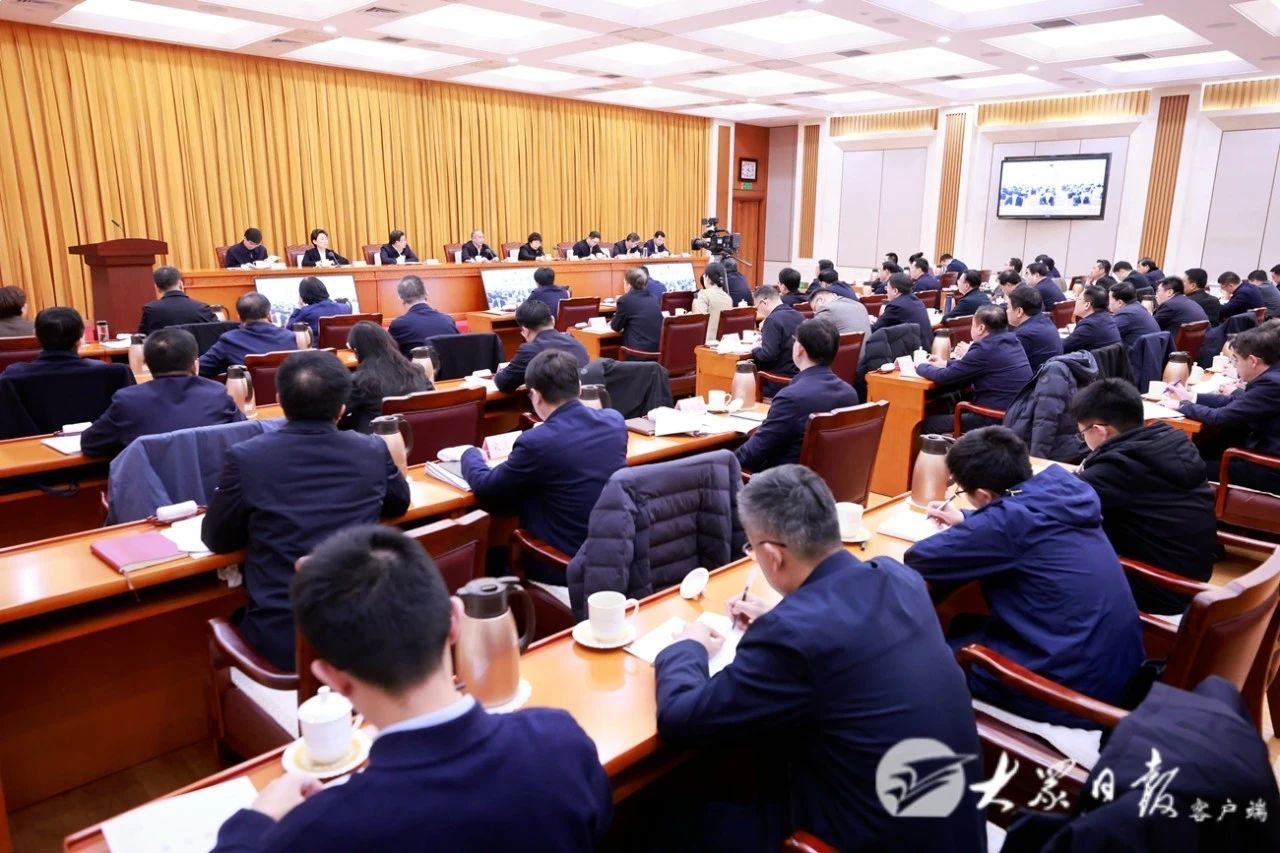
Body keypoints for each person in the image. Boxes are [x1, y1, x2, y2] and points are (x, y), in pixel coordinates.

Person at [211, 526, 612, 852]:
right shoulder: (562, 742)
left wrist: (254, 821)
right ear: (455, 621)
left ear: (332, 678)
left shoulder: (316, 832)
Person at [655, 465, 985, 852]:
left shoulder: (791, 637)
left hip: (859, 837)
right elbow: (843, 641)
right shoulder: (899, 577)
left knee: (660, 825)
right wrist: (780, 617)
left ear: (773, 556)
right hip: (953, 829)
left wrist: (688, 646)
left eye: (752, 549)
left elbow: (681, 720)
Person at [905, 427, 1143, 726]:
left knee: (914, 661)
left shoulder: (1008, 523)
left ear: (983, 495)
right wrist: (969, 519)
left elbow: (922, 557)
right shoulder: (1061, 490)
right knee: (961, 622)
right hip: (1109, 669)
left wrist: (981, 525)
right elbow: (1018, 517)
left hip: (1064, 688)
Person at [202, 351, 411, 671]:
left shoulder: (247, 458)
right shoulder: (370, 449)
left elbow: (217, 538)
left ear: (279, 401)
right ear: (342, 409)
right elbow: (398, 503)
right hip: (364, 634)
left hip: (284, 650)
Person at [458, 350, 626, 576]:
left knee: (491, 559)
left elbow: (487, 488)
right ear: (578, 387)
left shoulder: (536, 442)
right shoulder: (614, 422)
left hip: (561, 564)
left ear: (535, 396)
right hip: (612, 556)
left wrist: (470, 454)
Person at [1071, 379, 1217, 614]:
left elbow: (1055, 502)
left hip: (1157, 590)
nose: (1083, 440)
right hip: (1191, 579)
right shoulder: (1169, 443)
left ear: (1099, 430)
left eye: (1082, 434)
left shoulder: (1118, 467)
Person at [80, 328, 243, 457]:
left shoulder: (128, 400)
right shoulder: (217, 394)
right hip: (211, 486)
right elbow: (244, 433)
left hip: (151, 488)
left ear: (147, 365)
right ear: (195, 365)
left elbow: (90, 443)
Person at [1166, 321, 1280, 493]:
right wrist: (1192, 397)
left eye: (1236, 360)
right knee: (1202, 451)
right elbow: (1237, 403)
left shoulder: (1271, 383)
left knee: (1181, 469)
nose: (1234, 366)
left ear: (1253, 361)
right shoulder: (1273, 375)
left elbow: (1220, 417)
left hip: (1268, 469)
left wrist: (1182, 405)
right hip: (1265, 455)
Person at [735, 320, 858, 472]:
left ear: (799, 349)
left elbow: (755, 452)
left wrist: (723, 459)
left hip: (784, 481)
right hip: (829, 480)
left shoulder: (791, 398)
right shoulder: (850, 394)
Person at [917, 305, 1032, 434]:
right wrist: (944, 363)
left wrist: (920, 365)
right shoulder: (1012, 340)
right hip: (1015, 417)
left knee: (927, 424)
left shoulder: (984, 348)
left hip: (994, 418)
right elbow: (973, 365)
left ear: (981, 328)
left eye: (972, 325)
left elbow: (943, 377)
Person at [344, 321, 432, 433]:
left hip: (375, 439)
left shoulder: (359, 381)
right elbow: (432, 399)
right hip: (418, 435)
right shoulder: (417, 370)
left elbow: (336, 412)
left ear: (356, 351)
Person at [494, 299, 588, 393]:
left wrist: (498, 374)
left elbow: (504, 383)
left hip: (554, 401)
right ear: (553, 320)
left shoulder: (529, 350)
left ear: (525, 331)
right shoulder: (576, 342)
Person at [199, 292, 299, 378]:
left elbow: (199, 369)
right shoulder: (289, 337)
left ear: (239, 318)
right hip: (288, 394)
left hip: (249, 395)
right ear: (269, 315)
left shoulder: (229, 340)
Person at [386, 274, 458, 356]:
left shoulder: (399, 324)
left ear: (401, 298)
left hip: (417, 364)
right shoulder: (448, 320)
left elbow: (387, 354)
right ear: (426, 293)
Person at [138, 266, 215, 333]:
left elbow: (142, 337)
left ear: (157, 288)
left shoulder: (151, 310)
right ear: (181, 284)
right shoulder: (201, 308)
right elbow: (217, 331)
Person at [751, 285, 803, 380]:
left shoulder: (772, 320)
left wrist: (755, 349)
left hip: (778, 379)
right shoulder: (799, 315)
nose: (758, 311)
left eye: (757, 307)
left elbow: (767, 355)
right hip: (799, 376)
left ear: (764, 302)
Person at [1007, 283, 1063, 373]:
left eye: (1008, 307)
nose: (1007, 311)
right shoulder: (1045, 320)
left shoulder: (1023, 334)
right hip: (1052, 375)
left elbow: (1006, 363)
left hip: (1036, 379)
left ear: (1019, 311)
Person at [871, 273, 933, 348]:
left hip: (913, 351)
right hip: (926, 347)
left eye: (887, 287)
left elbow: (875, 329)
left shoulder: (895, 306)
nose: (886, 291)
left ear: (895, 291)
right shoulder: (918, 301)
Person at [610, 268, 662, 353]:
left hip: (638, 353)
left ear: (629, 285)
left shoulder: (625, 300)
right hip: (657, 351)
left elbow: (616, 327)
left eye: (624, 283)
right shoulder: (653, 298)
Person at [285, 277, 352, 341]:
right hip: (344, 348)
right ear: (323, 289)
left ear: (303, 295)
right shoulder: (345, 308)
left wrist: (298, 307)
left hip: (318, 349)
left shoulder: (307, 312)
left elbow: (289, 328)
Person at [1063, 285, 1121, 353]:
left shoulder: (1089, 325)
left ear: (1087, 305)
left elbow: (1063, 347)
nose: (1075, 302)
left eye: (1078, 299)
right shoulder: (1107, 317)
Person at [1108, 280, 1160, 349]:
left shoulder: (1127, 314)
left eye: (1109, 299)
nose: (1107, 302)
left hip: (1136, 354)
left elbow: (1106, 333)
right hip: (1149, 352)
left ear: (1120, 302)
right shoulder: (1138, 307)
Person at [692, 262, 732, 345]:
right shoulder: (728, 298)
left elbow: (698, 321)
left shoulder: (703, 294)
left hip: (706, 344)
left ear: (707, 278)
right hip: (722, 344)